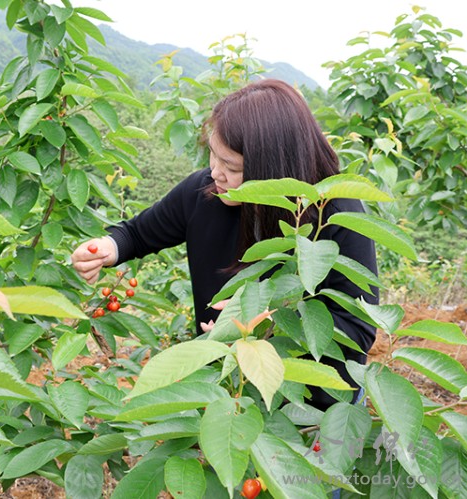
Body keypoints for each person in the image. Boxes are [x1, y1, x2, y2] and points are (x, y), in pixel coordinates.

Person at [71, 79, 378, 411]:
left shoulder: (336, 215)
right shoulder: (205, 192)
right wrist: (108, 247)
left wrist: (266, 323)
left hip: (314, 408)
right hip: (227, 393)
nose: (215, 173)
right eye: (213, 156)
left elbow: (357, 330)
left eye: (231, 167)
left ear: (273, 169)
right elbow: (136, 234)